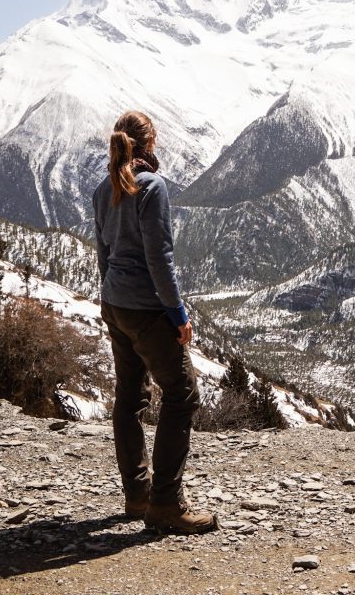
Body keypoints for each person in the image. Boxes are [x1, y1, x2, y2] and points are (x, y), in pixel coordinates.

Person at [93, 110, 218, 535]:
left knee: (129, 397)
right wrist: (178, 314)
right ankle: (166, 503)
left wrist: (111, 298)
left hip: (116, 304)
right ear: (151, 143)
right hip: (147, 308)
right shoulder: (152, 187)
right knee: (182, 395)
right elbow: (160, 259)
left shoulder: (102, 189)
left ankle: (137, 495)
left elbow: (103, 255)